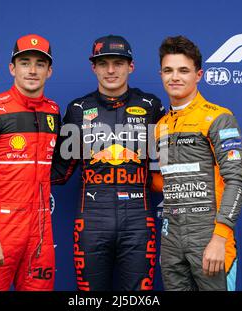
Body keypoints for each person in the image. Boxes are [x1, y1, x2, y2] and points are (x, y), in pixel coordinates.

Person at [52, 35, 165, 291]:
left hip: (139, 218)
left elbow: (168, 163)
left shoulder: (151, 106)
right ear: (94, 67)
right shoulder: (78, 109)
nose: (111, 70)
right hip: (91, 219)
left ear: (131, 66)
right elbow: (60, 171)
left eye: (118, 63)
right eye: (103, 64)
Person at [0, 34, 60, 291]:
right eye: (25, 62)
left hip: (41, 230)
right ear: (12, 68)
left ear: (49, 71)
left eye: (40, 64)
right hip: (1, 229)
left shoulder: (53, 111)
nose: (32, 70)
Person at [155, 35, 242, 291]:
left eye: (183, 70)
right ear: (161, 74)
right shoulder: (161, 126)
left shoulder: (219, 118)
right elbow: (164, 181)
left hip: (209, 236)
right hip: (171, 240)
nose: (175, 77)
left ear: (198, 75)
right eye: (168, 70)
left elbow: (237, 181)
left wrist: (219, 238)